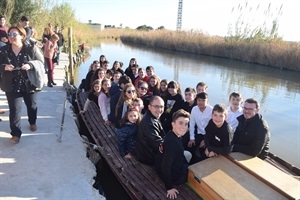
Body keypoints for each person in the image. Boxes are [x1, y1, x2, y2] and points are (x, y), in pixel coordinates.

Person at [0, 25, 44, 144]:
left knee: (32, 106)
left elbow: (41, 62)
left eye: (14, 34)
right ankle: (15, 134)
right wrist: (4, 67)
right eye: (9, 34)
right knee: (14, 110)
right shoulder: (4, 50)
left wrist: (30, 65)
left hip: (30, 83)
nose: (11, 37)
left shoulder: (31, 48)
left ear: (22, 36)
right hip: (12, 85)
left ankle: (32, 121)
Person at [155, 109, 191, 200]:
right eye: (180, 123)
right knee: (193, 173)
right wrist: (169, 187)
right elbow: (165, 166)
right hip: (172, 176)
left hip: (160, 168)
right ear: (173, 124)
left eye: (186, 124)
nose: (183, 127)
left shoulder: (171, 135)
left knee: (187, 156)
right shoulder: (173, 144)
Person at [135, 96, 165, 165]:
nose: (159, 109)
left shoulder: (152, 116)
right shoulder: (149, 123)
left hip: (146, 153)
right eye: (156, 106)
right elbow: (157, 144)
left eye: (162, 106)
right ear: (149, 107)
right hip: (148, 157)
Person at [188, 92, 213, 163]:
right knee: (191, 146)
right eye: (199, 100)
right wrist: (192, 138)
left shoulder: (211, 110)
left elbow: (213, 127)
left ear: (207, 101)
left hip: (208, 135)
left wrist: (206, 140)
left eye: (203, 100)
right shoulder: (194, 109)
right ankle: (190, 165)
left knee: (204, 151)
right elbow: (192, 123)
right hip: (199, 133)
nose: (200, 102)